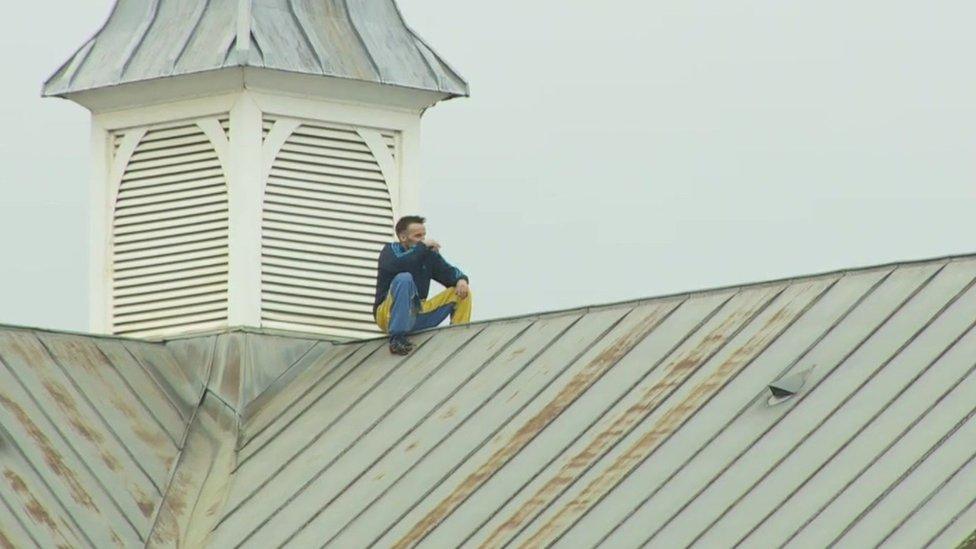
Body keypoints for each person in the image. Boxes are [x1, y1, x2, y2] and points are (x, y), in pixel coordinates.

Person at [374, 215, 472, 355]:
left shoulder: (425, 253)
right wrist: (422, 248)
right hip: (389, 314)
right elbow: (403, 264)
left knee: (461, 291)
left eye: (424, 235)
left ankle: (458, 338)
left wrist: (461, 280)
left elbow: (448, 272)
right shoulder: (390, 251)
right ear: (403, 238)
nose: (423, 239)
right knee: (404, 278)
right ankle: (397, 339)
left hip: (417, 313)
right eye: (417, 236)